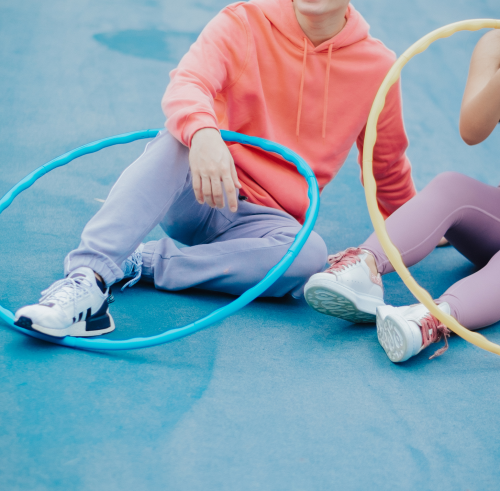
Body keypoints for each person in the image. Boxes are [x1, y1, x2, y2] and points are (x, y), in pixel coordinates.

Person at [14, 0, 416, 338]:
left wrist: (415, 220)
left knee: (308, 255)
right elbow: (188, 82)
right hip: (205, 190)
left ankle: (143, 262)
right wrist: (205, 135)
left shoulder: (377, 66)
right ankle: (89, 280)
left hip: (267, 224)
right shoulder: (243, 21)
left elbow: (387, 160)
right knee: (179, 138)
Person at [305, 28, 500, 363]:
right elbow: (472, 129)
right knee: (450, 185)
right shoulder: (495, 44)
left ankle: (427, 320)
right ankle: (363, 270)